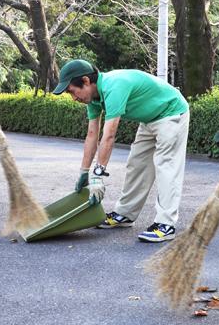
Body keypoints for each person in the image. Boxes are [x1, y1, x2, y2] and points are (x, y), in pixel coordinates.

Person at [53, 60, 189, 243]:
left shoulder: (114, 86)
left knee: (166, 166)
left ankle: (166, 225)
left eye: (71, 91)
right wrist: (84, 172)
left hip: (171, 112)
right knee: (136, 164)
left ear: (86, 81)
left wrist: (97, 175)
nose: (73, 98)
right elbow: (92, 135)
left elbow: (108, 136)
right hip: (149, 119)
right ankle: (125, 214)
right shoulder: (94, 98)